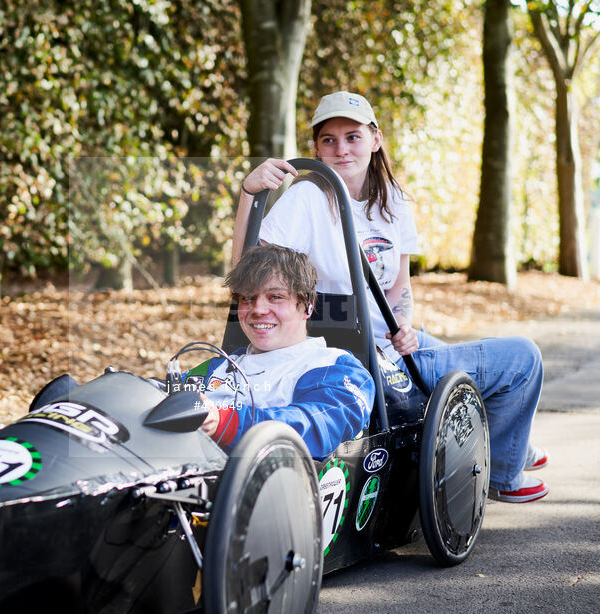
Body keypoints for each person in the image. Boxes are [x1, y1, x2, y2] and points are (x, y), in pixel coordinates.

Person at [232, 90, 548, 503]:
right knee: (523, 359)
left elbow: (399, 285)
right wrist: (248, 195)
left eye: (353, 137)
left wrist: (403, 326)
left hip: (389, 337)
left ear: (375, 139)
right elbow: (246, 268)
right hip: (349, 345)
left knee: (459, 356)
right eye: (328, 139)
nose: (341, 149)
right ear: (316, 147)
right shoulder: (307, 197)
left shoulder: (393, 199)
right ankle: (505, 477)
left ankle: (514, 449)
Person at [193, 244, 374, 460]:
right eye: (247, 298)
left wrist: (224, 422)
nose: (258, 310)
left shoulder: (334, 367)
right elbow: (165, 393)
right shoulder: (218, 366)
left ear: (307, 305)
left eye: (275, 297)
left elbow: (318, 425)